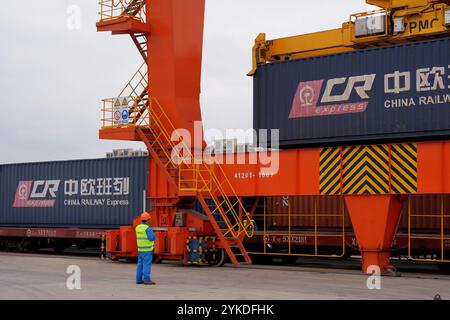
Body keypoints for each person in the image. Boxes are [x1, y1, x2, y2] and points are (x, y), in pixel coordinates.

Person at [135, 212, 157, 285]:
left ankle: (138, 279)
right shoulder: (148, 228)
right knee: (146, 264)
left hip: (140, 249)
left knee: (140, 265)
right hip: (147, 250)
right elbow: (152, 238)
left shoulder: (137, 228)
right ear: (147, 220)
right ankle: (147, 280)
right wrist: (154, 236)